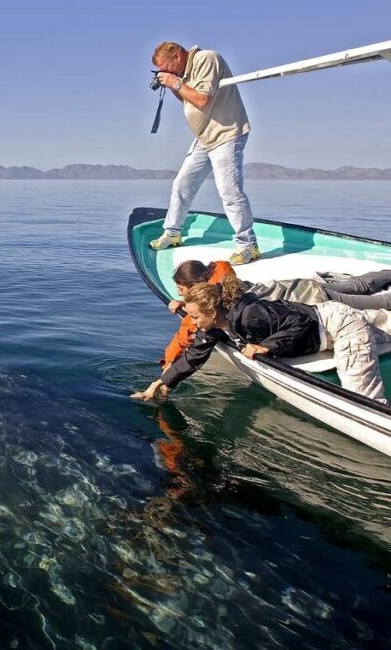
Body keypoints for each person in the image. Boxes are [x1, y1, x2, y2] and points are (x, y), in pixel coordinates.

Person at [134, 275, 391, 404]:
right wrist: (160, 383)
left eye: (195, 316)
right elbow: (193, 357)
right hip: (331, 329)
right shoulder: (215, 327)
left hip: (338, 326)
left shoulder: (250, 315)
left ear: (211, 313)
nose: (192, 321)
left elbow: (302, 321)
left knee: (362, 398)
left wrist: (265, 346)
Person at [161, 260, 391, 370]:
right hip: (302, 288)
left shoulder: (218, 304)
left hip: (313, 301)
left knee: (377, 302)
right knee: (360, 285)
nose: (179, 294)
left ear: (195, 287)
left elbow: (189, 330)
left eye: (181, 290)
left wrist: (169, 361)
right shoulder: (222, 283)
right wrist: (184, 302)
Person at [149, 42, 259, 266]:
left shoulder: (206, 59)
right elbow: (188, 98)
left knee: (229, 192)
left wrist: (174, 82)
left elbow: (203, 99)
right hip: (204, 137)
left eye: (167, 68)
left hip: (226, 133)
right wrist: (172, 85)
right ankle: (173, 233)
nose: (166, 73)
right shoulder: (184, 72)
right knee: (181, 185)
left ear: (178, 56)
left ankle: (248, 245)